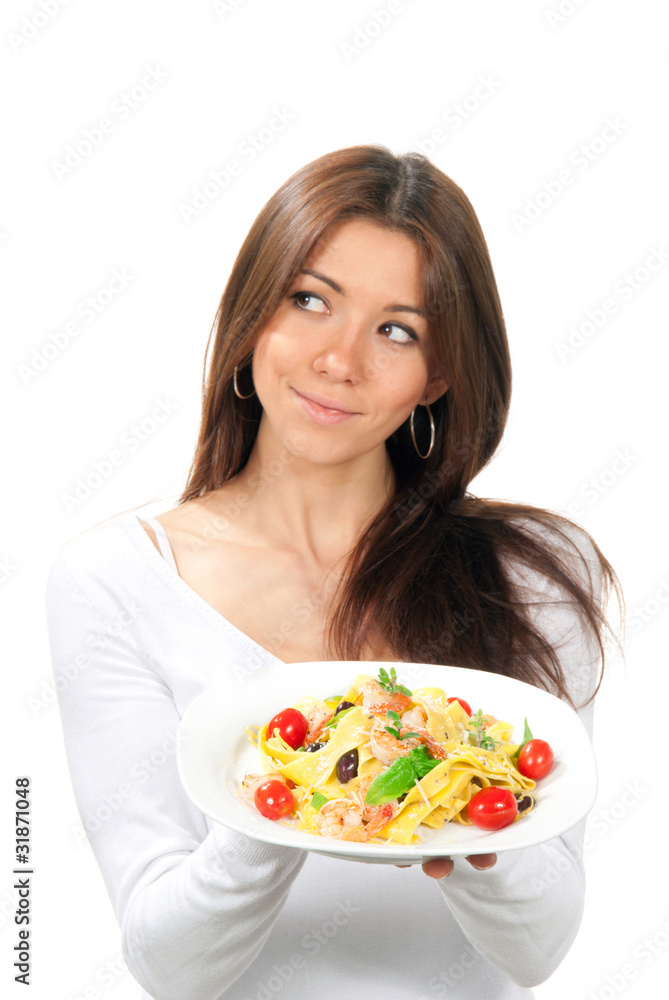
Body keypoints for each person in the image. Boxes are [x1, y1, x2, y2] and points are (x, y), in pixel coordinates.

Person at [45, 144, 620, 1000]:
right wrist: (289, 795)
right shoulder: (116, 579)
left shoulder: (533, 572)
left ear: (439, 376)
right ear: (252, 318)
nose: (339, 360)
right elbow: (168, 965)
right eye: (309, 300)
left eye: (397, 330)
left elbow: (535, 949)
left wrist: (438, 787)